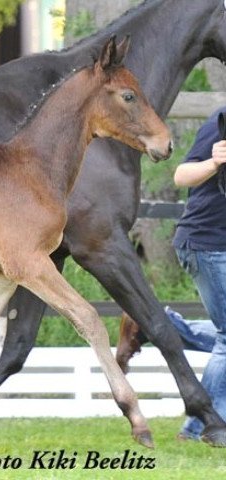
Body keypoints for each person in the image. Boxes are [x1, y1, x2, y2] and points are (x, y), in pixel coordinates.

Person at [116, 106, 226, 441]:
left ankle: (154, 325)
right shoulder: (220, 124)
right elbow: (181, 175)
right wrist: (216, 162)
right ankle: (202, 427)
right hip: (206, 244)